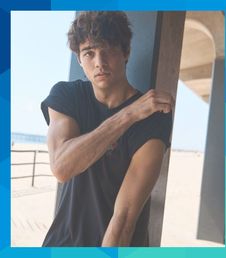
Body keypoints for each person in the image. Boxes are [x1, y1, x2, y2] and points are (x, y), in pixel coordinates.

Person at [41, 11, 173, 247]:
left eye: (108, 49)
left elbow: (123, 221)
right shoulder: (66, 96)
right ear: (79, 59)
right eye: (89, 53)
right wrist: (129, 114)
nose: (99, 62)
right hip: (61, 244)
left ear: (126, 52)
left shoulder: (154, 117)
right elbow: (62, 166)